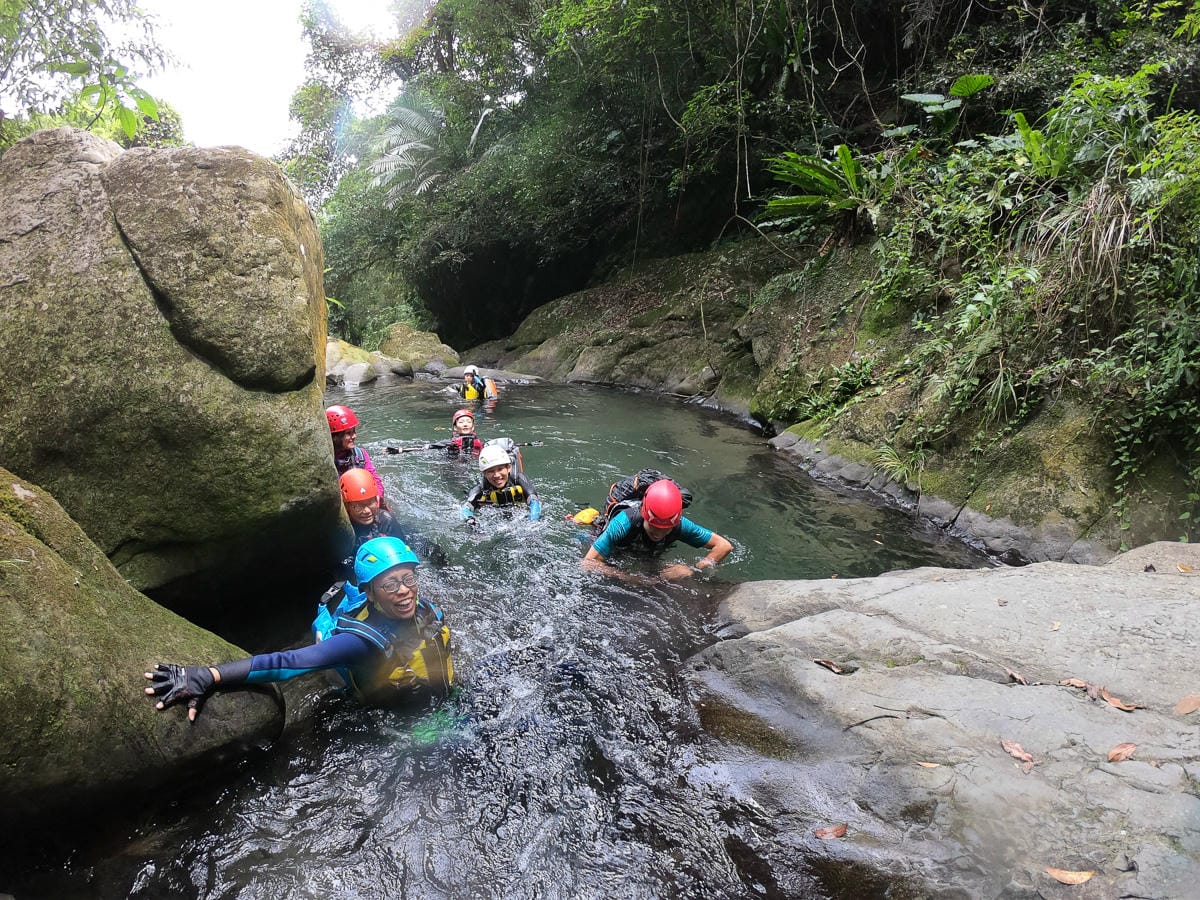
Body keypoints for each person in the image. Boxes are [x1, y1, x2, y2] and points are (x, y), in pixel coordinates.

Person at [144, 537, 453, 718]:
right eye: (390, 584)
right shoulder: (361, 642)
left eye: (408, 579)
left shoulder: (421, 608)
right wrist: (208, 676)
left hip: (442, 699)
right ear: (370, 593)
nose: (403, 590)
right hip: (411, 723)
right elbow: (289, 662)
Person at [582, 479, 731, 581]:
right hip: (614, 547)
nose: (659, 533)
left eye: (666, 528)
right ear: (644, 515)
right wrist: (631, 578)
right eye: (654, 526)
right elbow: (587, 563)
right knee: (582, 539)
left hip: (645, 554)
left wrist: (693, 569)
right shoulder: (624, 522)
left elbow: (724, 546)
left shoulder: (679, 524)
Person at [338, 468, 446, 568]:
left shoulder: (386, 520)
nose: (366, 511)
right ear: (346, 507)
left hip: (405, 535)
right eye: (357, 506)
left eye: (370, 503)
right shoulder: (343, 528)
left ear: (377, 501)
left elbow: (401, 554)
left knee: (437, 554)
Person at [461, 443, 542, 525]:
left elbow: (534, 502)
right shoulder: (481, 490)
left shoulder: (519, 480)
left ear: (509, 467)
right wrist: (470, 520)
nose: (496, 475)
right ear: (484, 474)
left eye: (500, 469)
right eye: (491, 471)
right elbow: (466, 509)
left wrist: (532, 522)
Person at [327, 404, 385, 503]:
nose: (354, 436)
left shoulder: (360, 454)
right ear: (334, 438)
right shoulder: (327, 460)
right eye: (348, 433)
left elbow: (374, 479)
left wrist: (378, 497)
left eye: (354, 432)